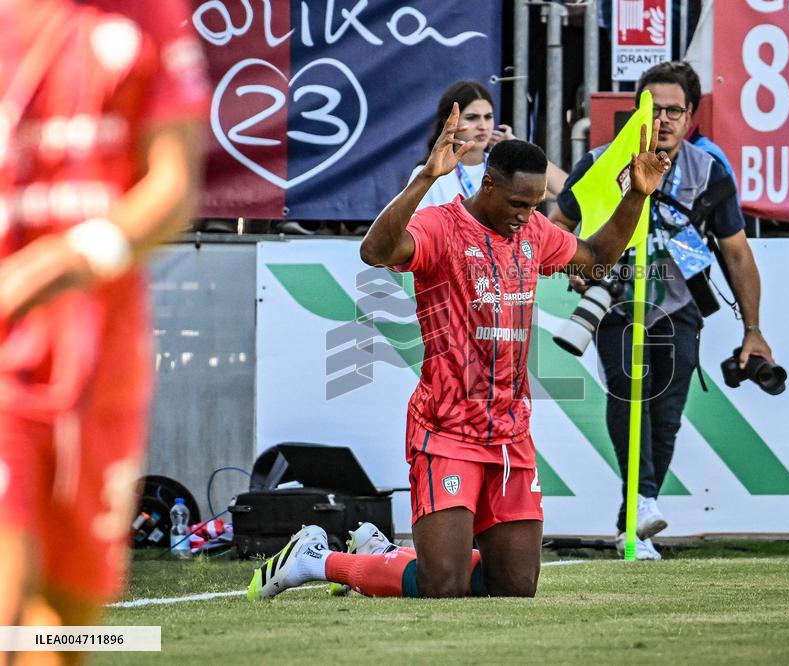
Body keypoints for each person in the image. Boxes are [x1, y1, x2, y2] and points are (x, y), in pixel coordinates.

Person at [247, 104, 671, 600]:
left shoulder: (532, 231)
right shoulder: (440, 226)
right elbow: (376, 252)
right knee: (441, 586)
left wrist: (636, 196)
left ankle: (385, 557)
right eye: (517, 203)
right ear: (486, 185)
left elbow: (596, 258)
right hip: (444, 430)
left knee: (515, 587)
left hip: (510, 434)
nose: (525, 215)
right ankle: (317, 562)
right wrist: (427, 177)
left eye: (533, 205)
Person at [0, 0, 207, 645]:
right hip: (7, 354)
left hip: (99, 364)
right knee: (9, 598)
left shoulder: (149, 19)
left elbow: (173, 188)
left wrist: (73, 256)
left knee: (61, 629)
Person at [550, 62, 775, 560]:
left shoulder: (708, 170)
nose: (665, 120)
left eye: (676, 110)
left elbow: (736, 251)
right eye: (656, 109)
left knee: (666, 414)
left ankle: (636, 511)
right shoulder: (601, 162)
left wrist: (752, 329)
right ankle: (642, 503)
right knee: (629, 389)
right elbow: (558, 221)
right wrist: (568, 259)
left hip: (679, 306)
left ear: (692, 115)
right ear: (638, 111)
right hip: (614, 301)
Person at [408, 80, 567, 210]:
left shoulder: (507, 170)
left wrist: (519, 149)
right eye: (472, 118)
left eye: (488, 117)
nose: (483, 126)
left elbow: (568, 191)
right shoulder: (428, 173)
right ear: (449, 123)